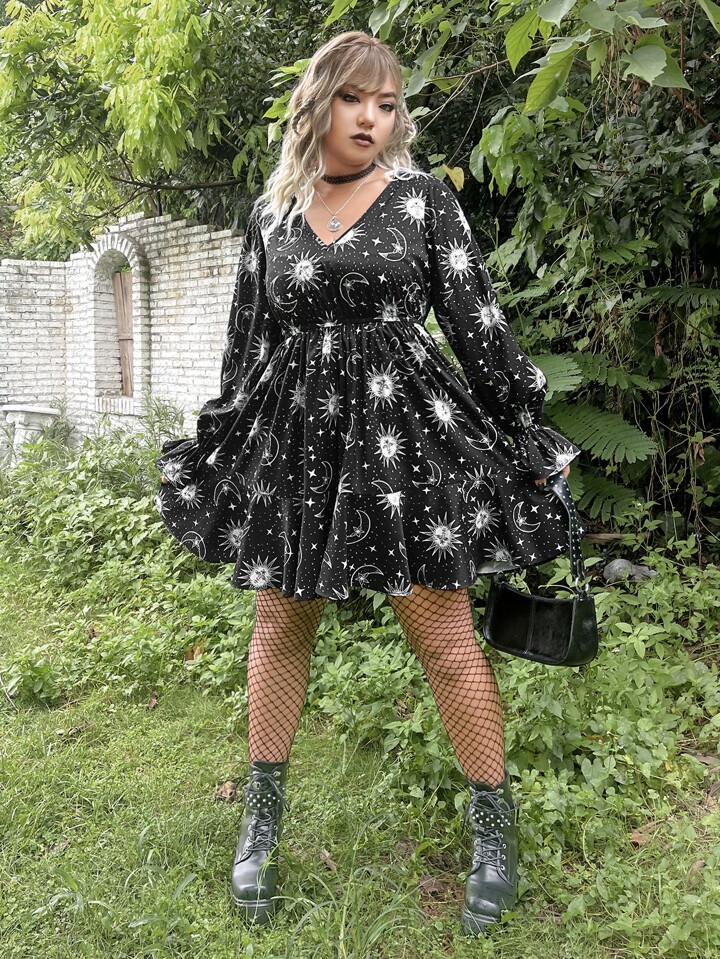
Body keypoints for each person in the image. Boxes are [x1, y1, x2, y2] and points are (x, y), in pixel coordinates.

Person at [154, 30, 581, 937]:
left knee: (444, 636)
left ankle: (494, 833)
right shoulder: (273, 213)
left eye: (387, 105)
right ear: (319, 103)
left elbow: (477, 325)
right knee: (280, 623)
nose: (371, 119)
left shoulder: (423, 200)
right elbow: (248, 345)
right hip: (297, 449)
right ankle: (261, 826)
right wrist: (222, 441)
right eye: (354, 99)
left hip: (404, 445)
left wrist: (526, 427)